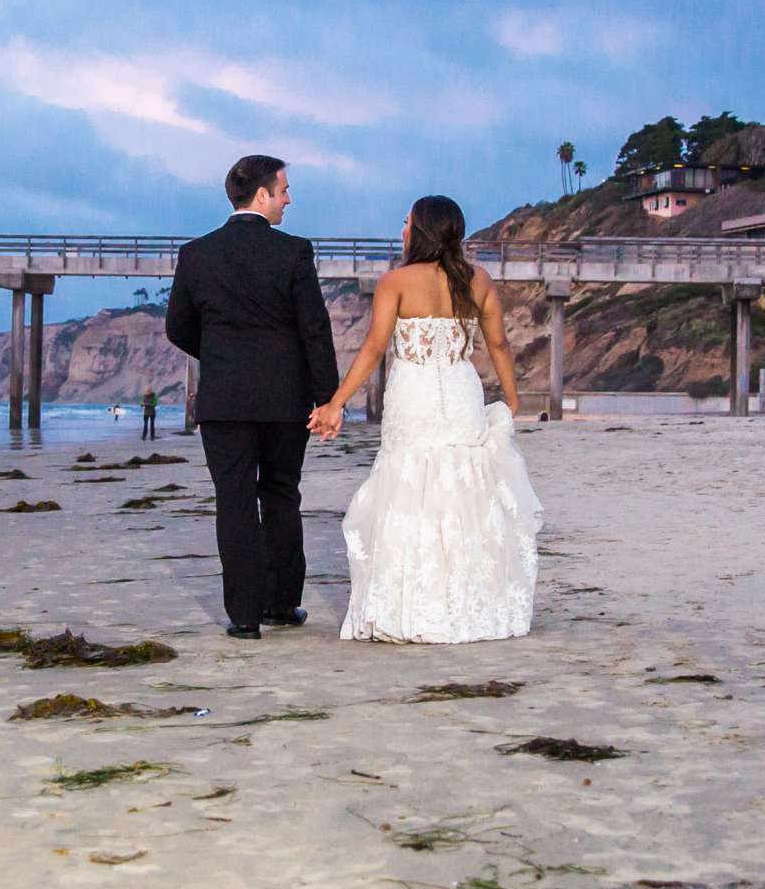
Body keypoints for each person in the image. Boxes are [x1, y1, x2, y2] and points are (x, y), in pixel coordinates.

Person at [311, 195, 542, 643]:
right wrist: (511, 401)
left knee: (409, 487)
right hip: (460, 388)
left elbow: (375, 349)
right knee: (462, 489)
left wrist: (337, 402)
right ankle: (469, 605)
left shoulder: (396, 281)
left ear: (421, 231)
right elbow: (499, 346)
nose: (401, 231)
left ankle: (410, 608)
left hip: (413, 390)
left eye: (406, 223)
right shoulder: (478, 280)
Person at [164, 154, 339, 640]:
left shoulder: (196, 254)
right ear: (261, 195)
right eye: (284, 190)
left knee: (234, 500)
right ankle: (281, 605)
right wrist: (329, 397)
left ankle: (243, 617)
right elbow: (315, 330)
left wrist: (219, 355)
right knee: (281, 494)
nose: (289, 198)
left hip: (223, 402)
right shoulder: (294, 252)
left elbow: (177, 327)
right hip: (285, 401)